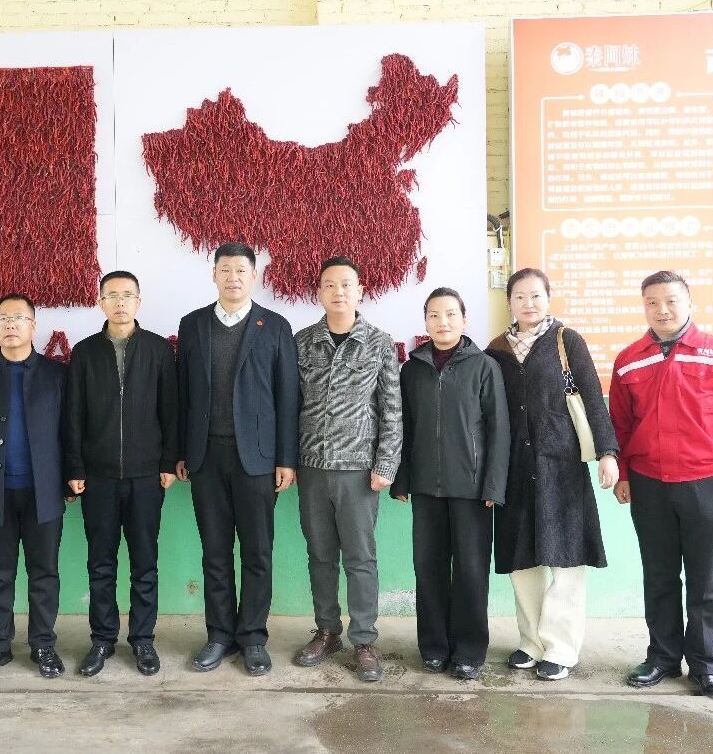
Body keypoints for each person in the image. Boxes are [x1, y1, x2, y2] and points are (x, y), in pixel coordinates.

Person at [610, 270, 713, 700]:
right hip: (649, 484)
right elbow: (620, 424)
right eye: (652, 302)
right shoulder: (629, 359)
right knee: (658, 575)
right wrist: (623, 475)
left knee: (705, 579)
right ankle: (662, 657)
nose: (662, 310)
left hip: (705, 483)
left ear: (689, 303)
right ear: (644, 307)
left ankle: (705, 665)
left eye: (671, 301)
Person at [485, 268, 619, 682]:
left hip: (561, 466)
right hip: (513, 470)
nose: (528, 303)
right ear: (509, 301)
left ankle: (560, 647)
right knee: (521, 559)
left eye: (536, 295)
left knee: (565, 559)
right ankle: (531, 641)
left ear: (548, 297)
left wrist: (608, 452)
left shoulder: (566, 341)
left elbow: (592, 397)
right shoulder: (495, 350)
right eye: (520, 296)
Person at [175, 241, 299, 676]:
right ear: (214, 275)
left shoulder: (275, 326)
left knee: (257, 552)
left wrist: (286, 458)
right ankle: (219, 635)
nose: (233, 277)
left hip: (258, 459)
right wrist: (181, 451)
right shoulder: (192, 325)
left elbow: (287, 396)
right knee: (215, 552)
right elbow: (182, 393)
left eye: (241, 270)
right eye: (225, 269)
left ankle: (253, 638)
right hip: (206, 456)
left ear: (254, 276)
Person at [291, 256, 401, 683]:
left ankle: (364, 640)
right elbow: (291, 405)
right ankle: (326, 631)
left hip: (359, 470)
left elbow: (391, 409)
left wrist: (386, 463)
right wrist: (289, 461)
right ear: (319, 292)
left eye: (346, 284)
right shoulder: (303, 342)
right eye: (329, 285)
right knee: (320, 555)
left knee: (360, 558)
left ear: (360, 291)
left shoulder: (378, 343)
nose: (338, 292)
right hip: (312, 467)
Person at [392, 287, 509, 680]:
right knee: (428, 569)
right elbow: (405, 428)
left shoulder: (484, 366)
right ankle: (434, 647)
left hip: (472, 489)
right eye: (434, 315)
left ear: (464, 319)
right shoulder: (412, 369)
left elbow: (499, 430)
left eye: (450, 314)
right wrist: (403, 479)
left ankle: (469, 651)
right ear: (425, 321)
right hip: (425, 486)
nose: (442, 322)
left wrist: (493, 486)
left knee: (471, 572)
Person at [65, 270, 178, 677]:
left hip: (147, 477)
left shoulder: (158, 349)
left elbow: (171, 410)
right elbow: (73, 415)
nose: (120, 302)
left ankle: (143, 640)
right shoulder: (84, 352)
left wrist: (167, 462)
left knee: (145, 562)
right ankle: (102, 639)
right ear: (100, 302)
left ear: (138, 302)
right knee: (101, 562)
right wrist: (75, 466)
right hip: (98, 477)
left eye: (127, 295)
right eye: (111, 295)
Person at [0, 293, 70, 682]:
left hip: (44, 492)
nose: (9, 325)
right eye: (3, 319)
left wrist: (72, 477)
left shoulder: (57, 374)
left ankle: (43, 645)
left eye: (18, 318)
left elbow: (69, 432)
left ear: (33, 326)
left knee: (44, 573)